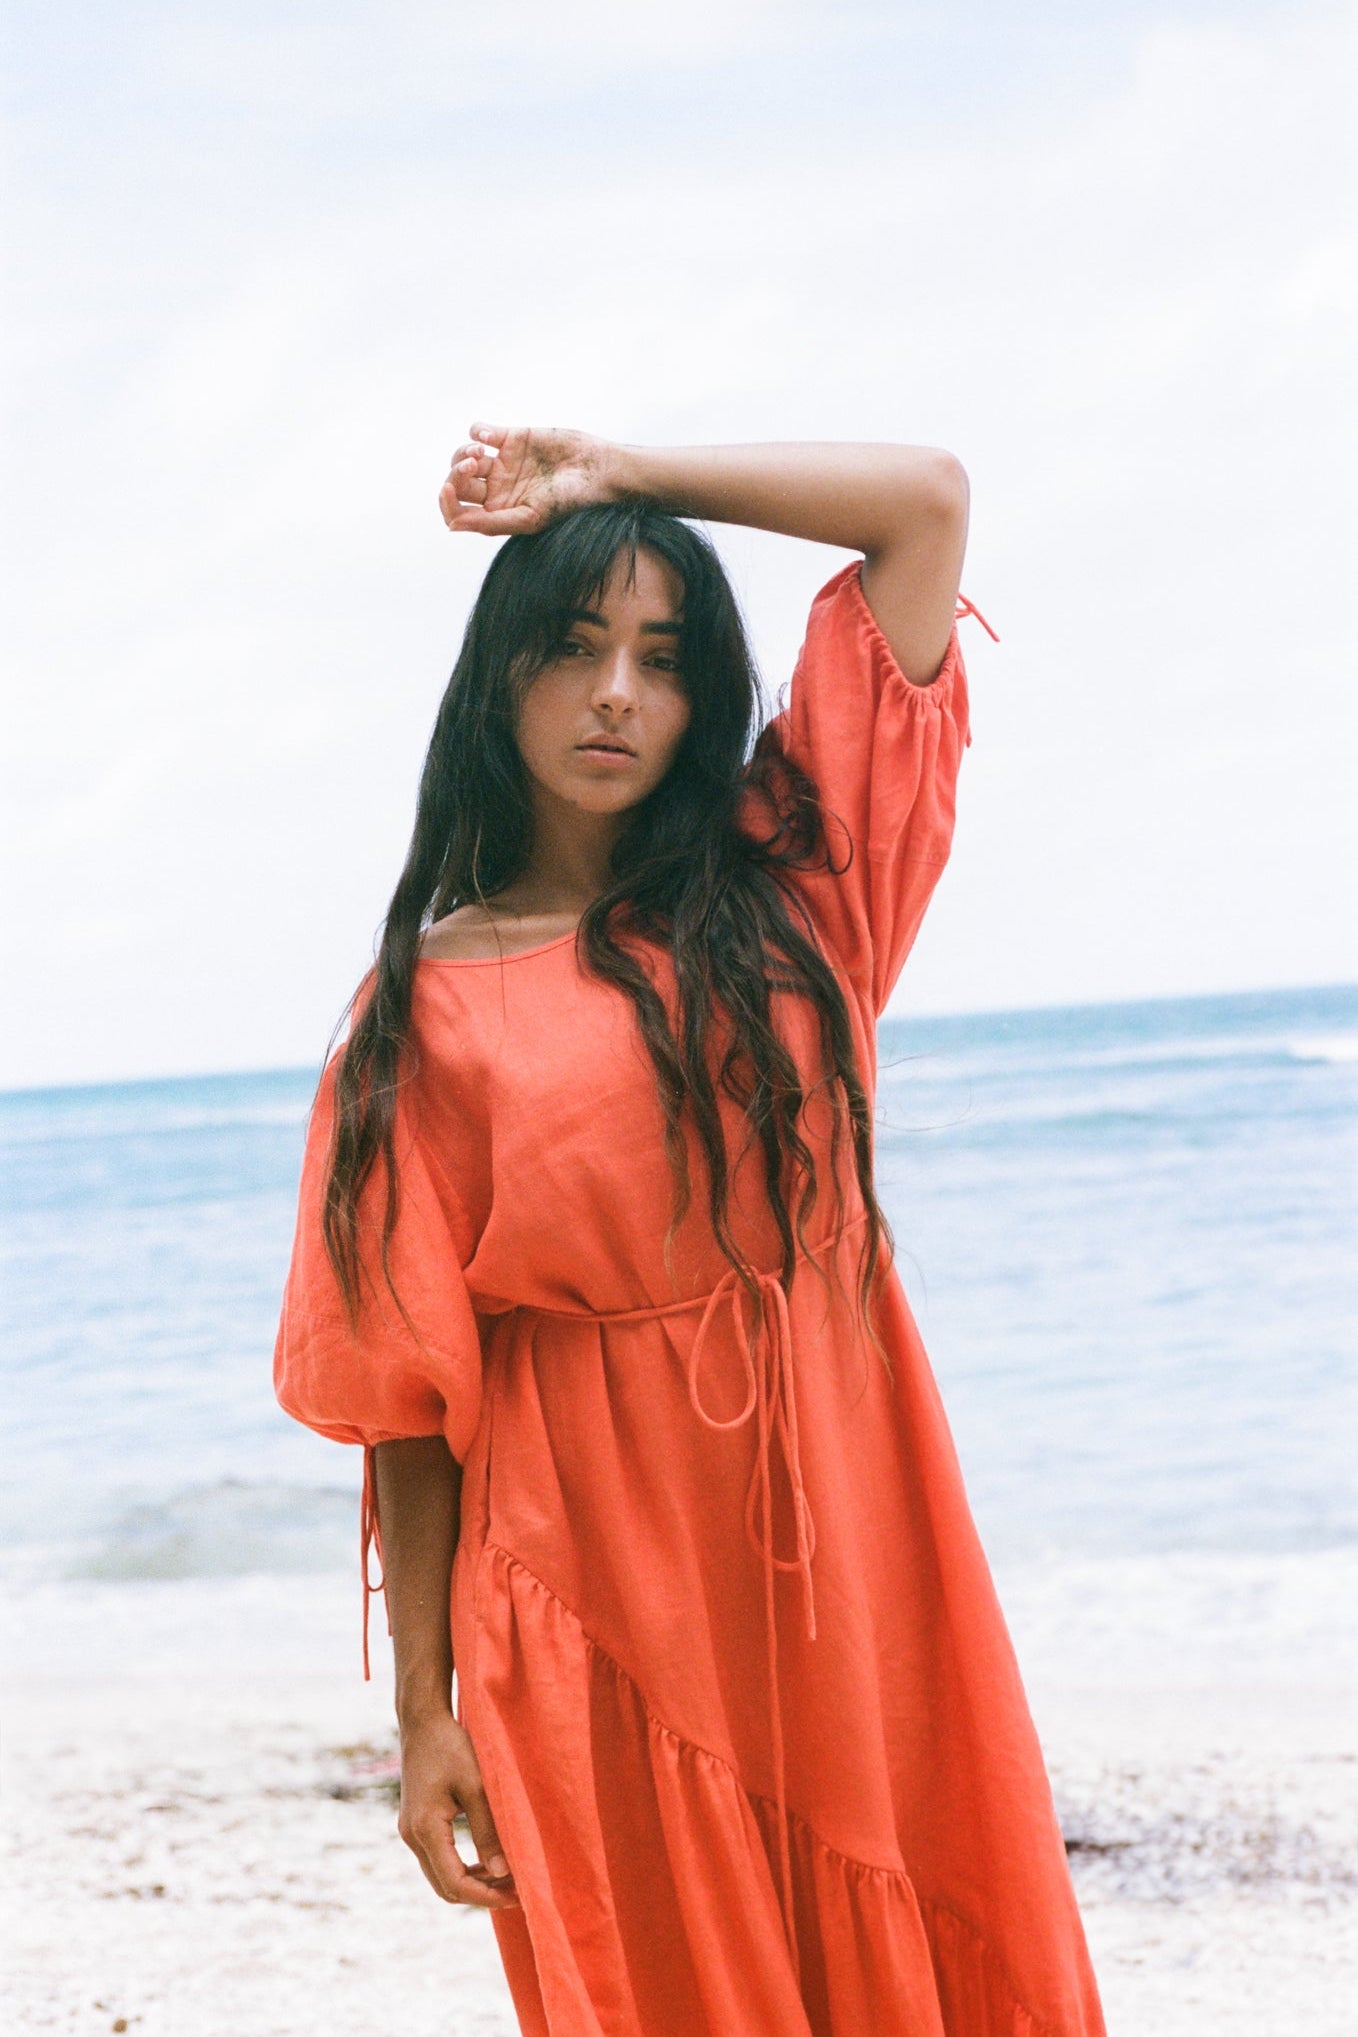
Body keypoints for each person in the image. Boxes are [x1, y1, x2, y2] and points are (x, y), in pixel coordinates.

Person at [274, 427, 1106, 2036]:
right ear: (494, 678)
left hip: (861, 1549)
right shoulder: (419, 1015)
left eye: (661, 659)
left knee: (942, 1930)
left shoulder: (796, 885)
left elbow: (919, 505)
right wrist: (423, 1711)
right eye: (573, 648)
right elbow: (406, 1398)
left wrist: (608, 470)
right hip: (589, 1583)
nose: (614, 696)